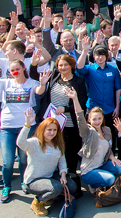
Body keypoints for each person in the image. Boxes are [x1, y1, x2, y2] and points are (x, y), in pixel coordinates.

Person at [0, 47, 50, 203]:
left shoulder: (32, 83)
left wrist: (43, 83)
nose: (14, 72)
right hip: (7, 127)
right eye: (12, 70)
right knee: (8, 161)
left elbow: (39, 91)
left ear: (23, 67)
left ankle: (24, 182)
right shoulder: (5, 83)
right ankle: (7, 186)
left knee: (23, 159)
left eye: (17, 69)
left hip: (26, 127)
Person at [31, 54, 88, 197]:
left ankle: (72, 185)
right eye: (60, 65)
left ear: (71, 65)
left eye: (65, 65)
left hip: (69, 123)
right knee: (54, 150)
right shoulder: (53, 77)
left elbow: (82, 102)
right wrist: (33, 64)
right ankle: (57, 182)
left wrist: (66, 109)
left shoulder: (78, 82)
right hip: (52, 123)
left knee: (70, 153)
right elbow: (33, 76)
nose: (62, 68)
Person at [17, 109, 76, 216]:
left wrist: (63, 175)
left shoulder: (57, 144)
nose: (52, 133)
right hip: (34, 180)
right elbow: (20, 143)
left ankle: (49, 195)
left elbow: (62, 161)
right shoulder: (34, 143)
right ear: (42, 130)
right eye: (49, 130)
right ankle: (37, 202)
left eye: (55, 130)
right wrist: (27, 125)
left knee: (72, 186)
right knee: (56, 188)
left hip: (49, 176)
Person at [65, 87, 121, 190]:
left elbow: (108, 149)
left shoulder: (106, 130)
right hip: (89, 170)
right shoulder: (87, 132)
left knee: (119, 167)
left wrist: (112, 157)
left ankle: (100, 179)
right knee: (110, 179)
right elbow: (79, 116)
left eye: (99, 118)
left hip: (101, 165)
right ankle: (93, 185)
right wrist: (75, 99)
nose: (97, 122)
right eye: (94, 119)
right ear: (89, 119)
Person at [76, 39, 121, 128]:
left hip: (110, 109)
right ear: (94, 56)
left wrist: (117, 106)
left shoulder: (113, 70)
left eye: (102, 55)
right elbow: (79, 67)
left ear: (106, 56)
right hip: (93, 108)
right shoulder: (89, 69)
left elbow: (118, 88)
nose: (100, 58)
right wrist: (85, 51)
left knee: (109, 134)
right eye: (98, 55)